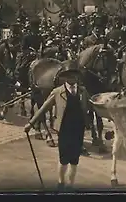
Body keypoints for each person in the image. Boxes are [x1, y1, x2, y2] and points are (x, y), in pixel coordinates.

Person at [24, 60, 90, 190]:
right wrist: (31, 124)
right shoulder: (57, 92)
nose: (72, 78)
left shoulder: (83, 91)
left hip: (78, 128)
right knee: (64, 158)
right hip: (64, 128)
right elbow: (43, 108)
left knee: (75, 159)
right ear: (64, 77)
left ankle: (71, 185)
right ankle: (61, 182)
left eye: (75, 75)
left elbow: (92, 105)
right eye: (69, 75)